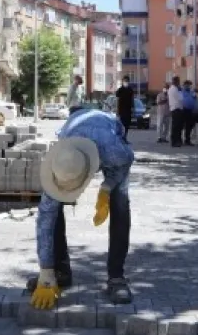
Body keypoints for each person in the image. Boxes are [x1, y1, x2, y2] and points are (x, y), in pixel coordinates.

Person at [27, 109, 135, 309]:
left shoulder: (114, 152)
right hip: (75, 132)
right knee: (53, 209)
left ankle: (116, 277)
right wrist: (45, 271)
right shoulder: (61, 161)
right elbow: (44, 222)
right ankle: (60, 271)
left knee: (120, 204)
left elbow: (127, 160)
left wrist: (107, 187)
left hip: (109, 133)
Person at [115, 75, 136, 143]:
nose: (126, 82)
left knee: (127, 125)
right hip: (121, 110)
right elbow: (117, 100)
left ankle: (124, 137)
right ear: (122, 81)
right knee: (121, 124)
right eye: (125, 81)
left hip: (128, 109)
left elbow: (132, 99)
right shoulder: (120, 90)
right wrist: (117, 110)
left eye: (127, 81)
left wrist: (133, 108)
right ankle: (120, 138)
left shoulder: (130, 90)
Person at [168, 76, 184, 147]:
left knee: (176, 126)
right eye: (178, 81)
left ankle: (176, 140)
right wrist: (180, 91)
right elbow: (180, 98)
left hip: (174, 109)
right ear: (176, 81)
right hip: (176, 109)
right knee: (177, 126)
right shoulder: (175, 89)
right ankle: (175, 141)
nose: (179, 82)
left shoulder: (171, 89)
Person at [180, 80, 197, 145]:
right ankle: (180, 139)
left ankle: (187, 140)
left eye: (189, 85)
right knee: (181, 126)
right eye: (187, 85)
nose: (188, 86)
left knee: (189, 126)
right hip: (183, 110)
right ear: (184, 85)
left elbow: (194, 99)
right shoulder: (181, 92)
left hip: (190, 110)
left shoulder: (191, 92)